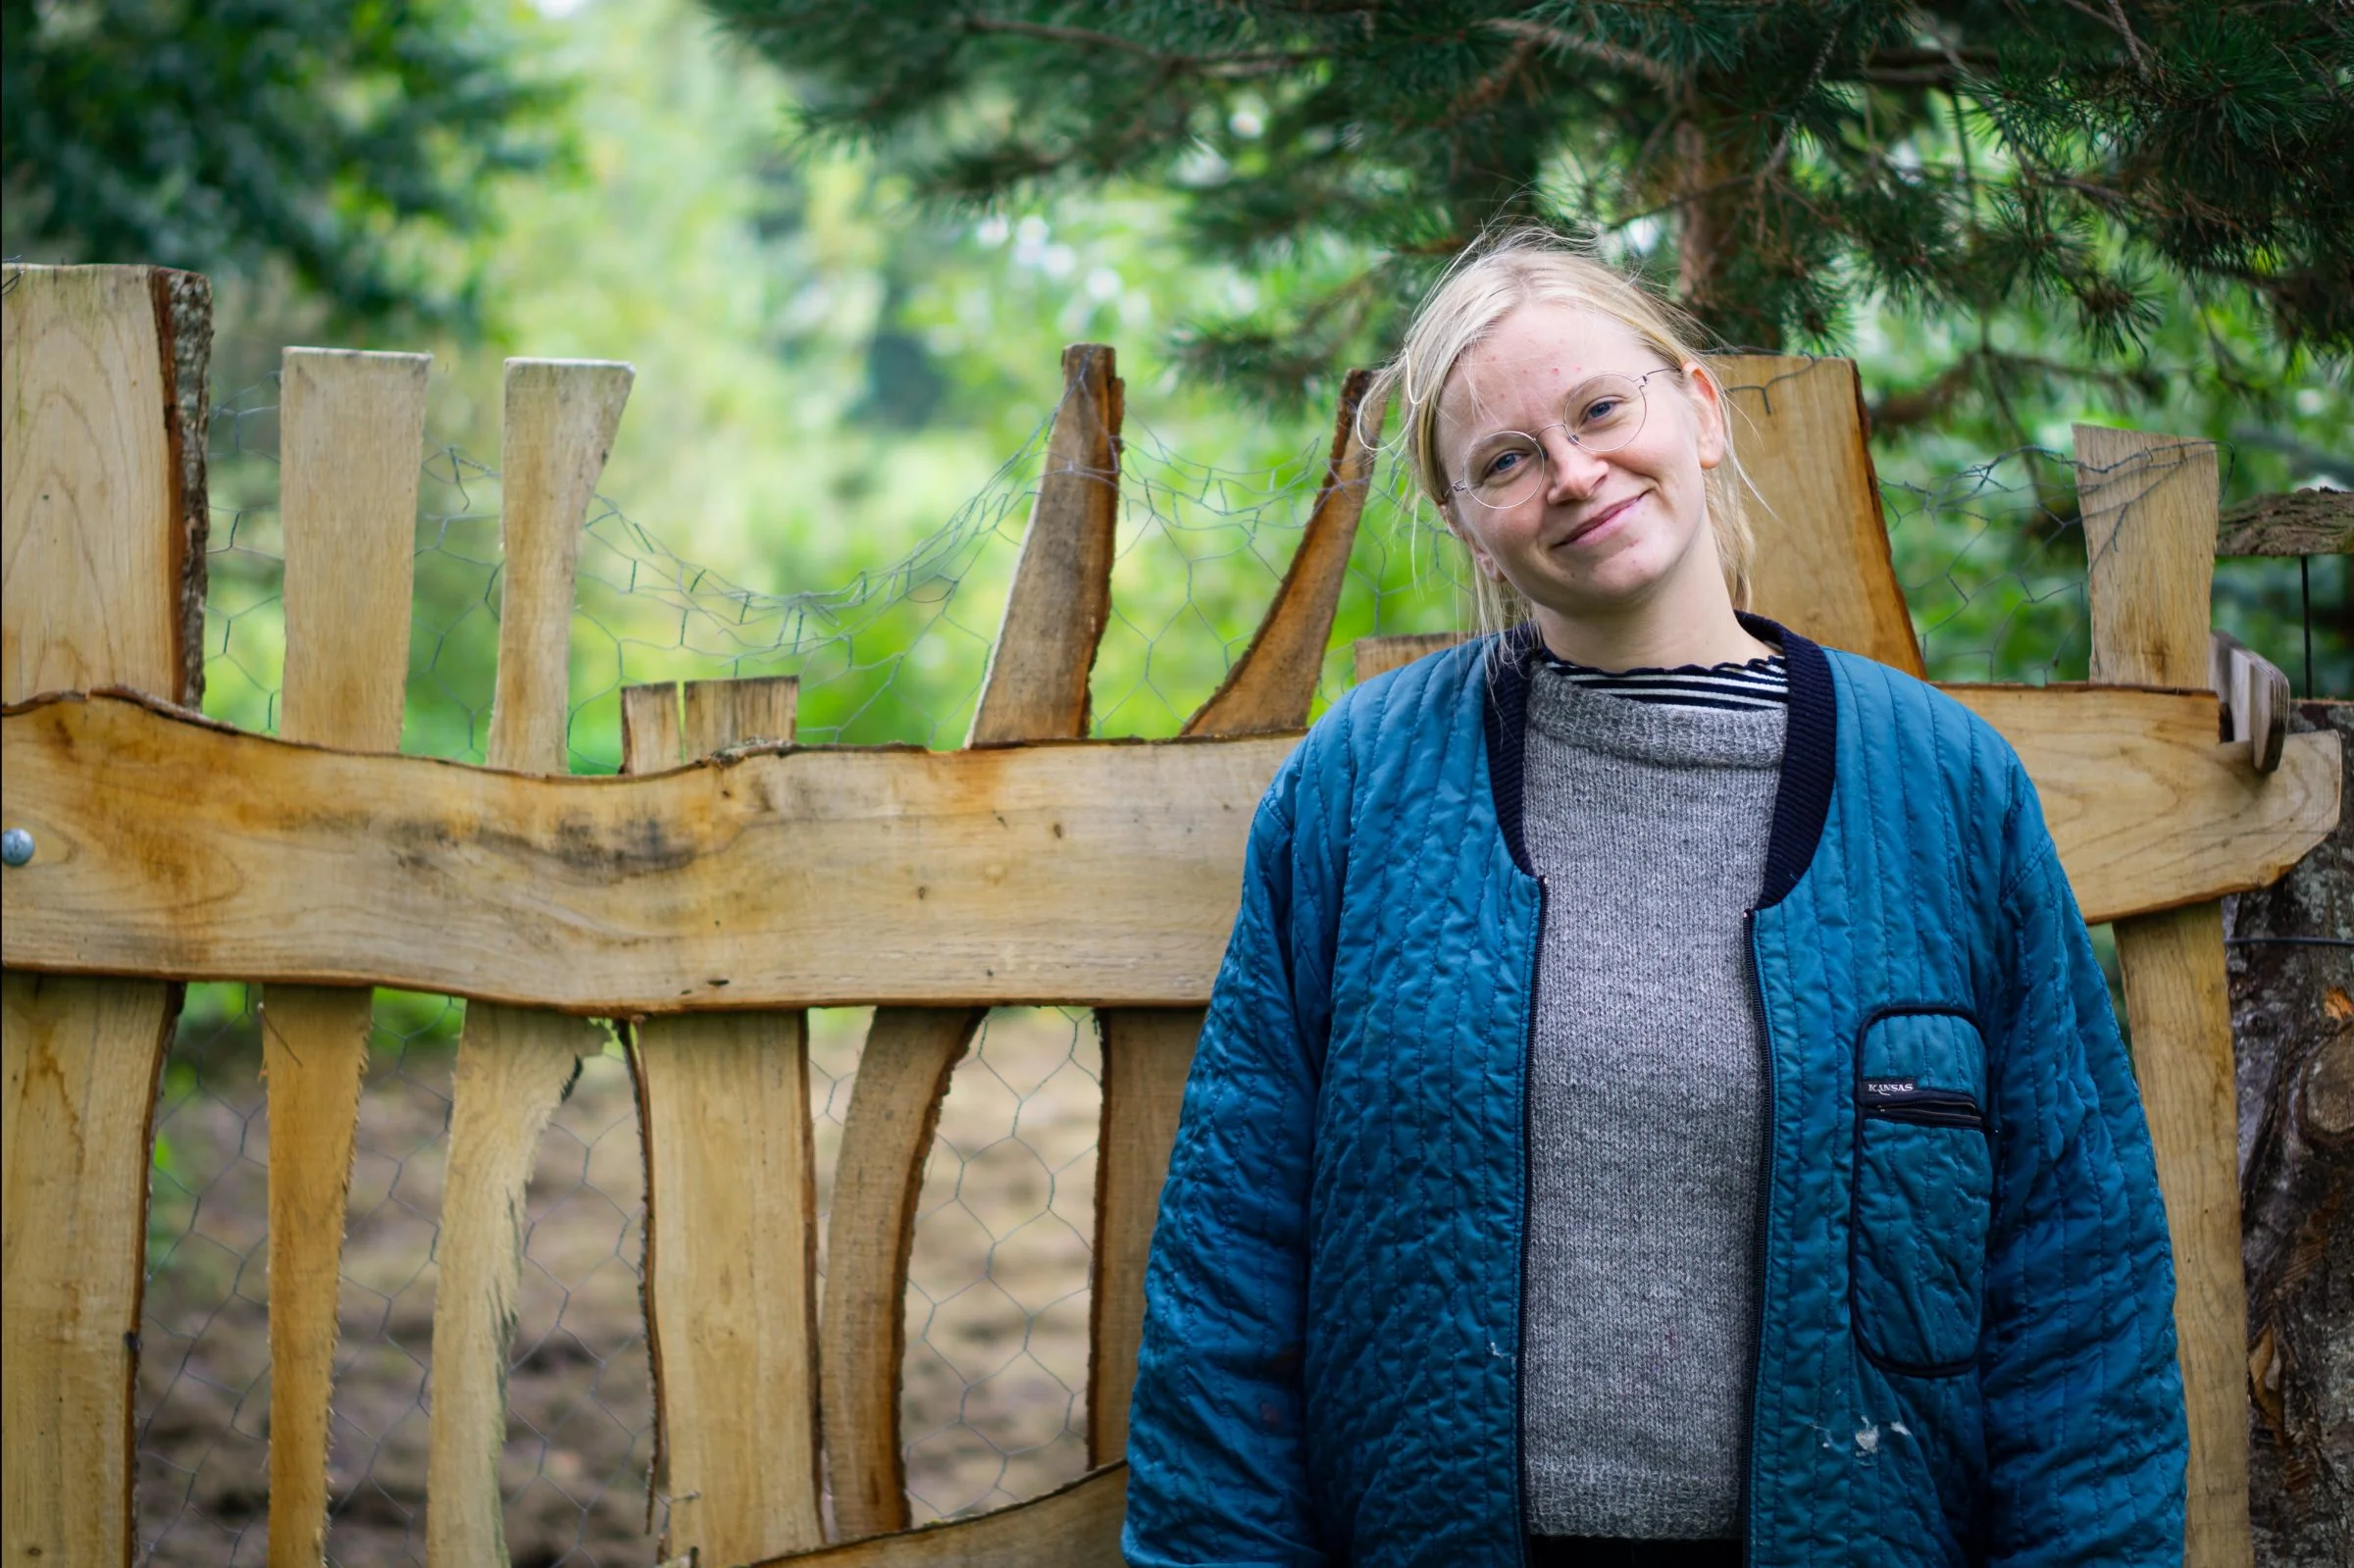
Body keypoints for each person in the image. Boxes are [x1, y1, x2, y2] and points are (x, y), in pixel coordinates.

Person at [1119, 228, 2186, 1567]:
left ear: (1697, 411)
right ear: (1466, 524)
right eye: (1504, 459)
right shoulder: (1358, 790)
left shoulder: (1947, 792)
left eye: (1600, 409)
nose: (1571, 473)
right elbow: (1230, 1276)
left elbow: (2078, 1291)